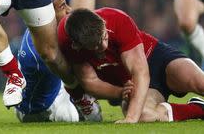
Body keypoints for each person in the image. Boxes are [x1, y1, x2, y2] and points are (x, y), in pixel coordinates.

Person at [57, 7, 204, 123]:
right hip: (131, 84)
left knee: (200, 83)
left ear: (102, 22)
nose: (104, 45)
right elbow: (89, 81)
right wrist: (120, 92)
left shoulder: (117, 19)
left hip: (155, 59)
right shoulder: (67, 42)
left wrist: (130, 119)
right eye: (96, 46)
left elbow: (140, 71)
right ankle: (199, 109)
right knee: (144, 116)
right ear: (77, 45)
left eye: (104, 37)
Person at [16, 0, 102, 122]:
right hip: (38, 109)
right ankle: (82, 103)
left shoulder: (42, 29)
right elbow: (78, 76)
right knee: (71, 117)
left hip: (57, 87)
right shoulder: (42, 52)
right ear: (47, 14)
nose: (70, 10)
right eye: (63, 7)